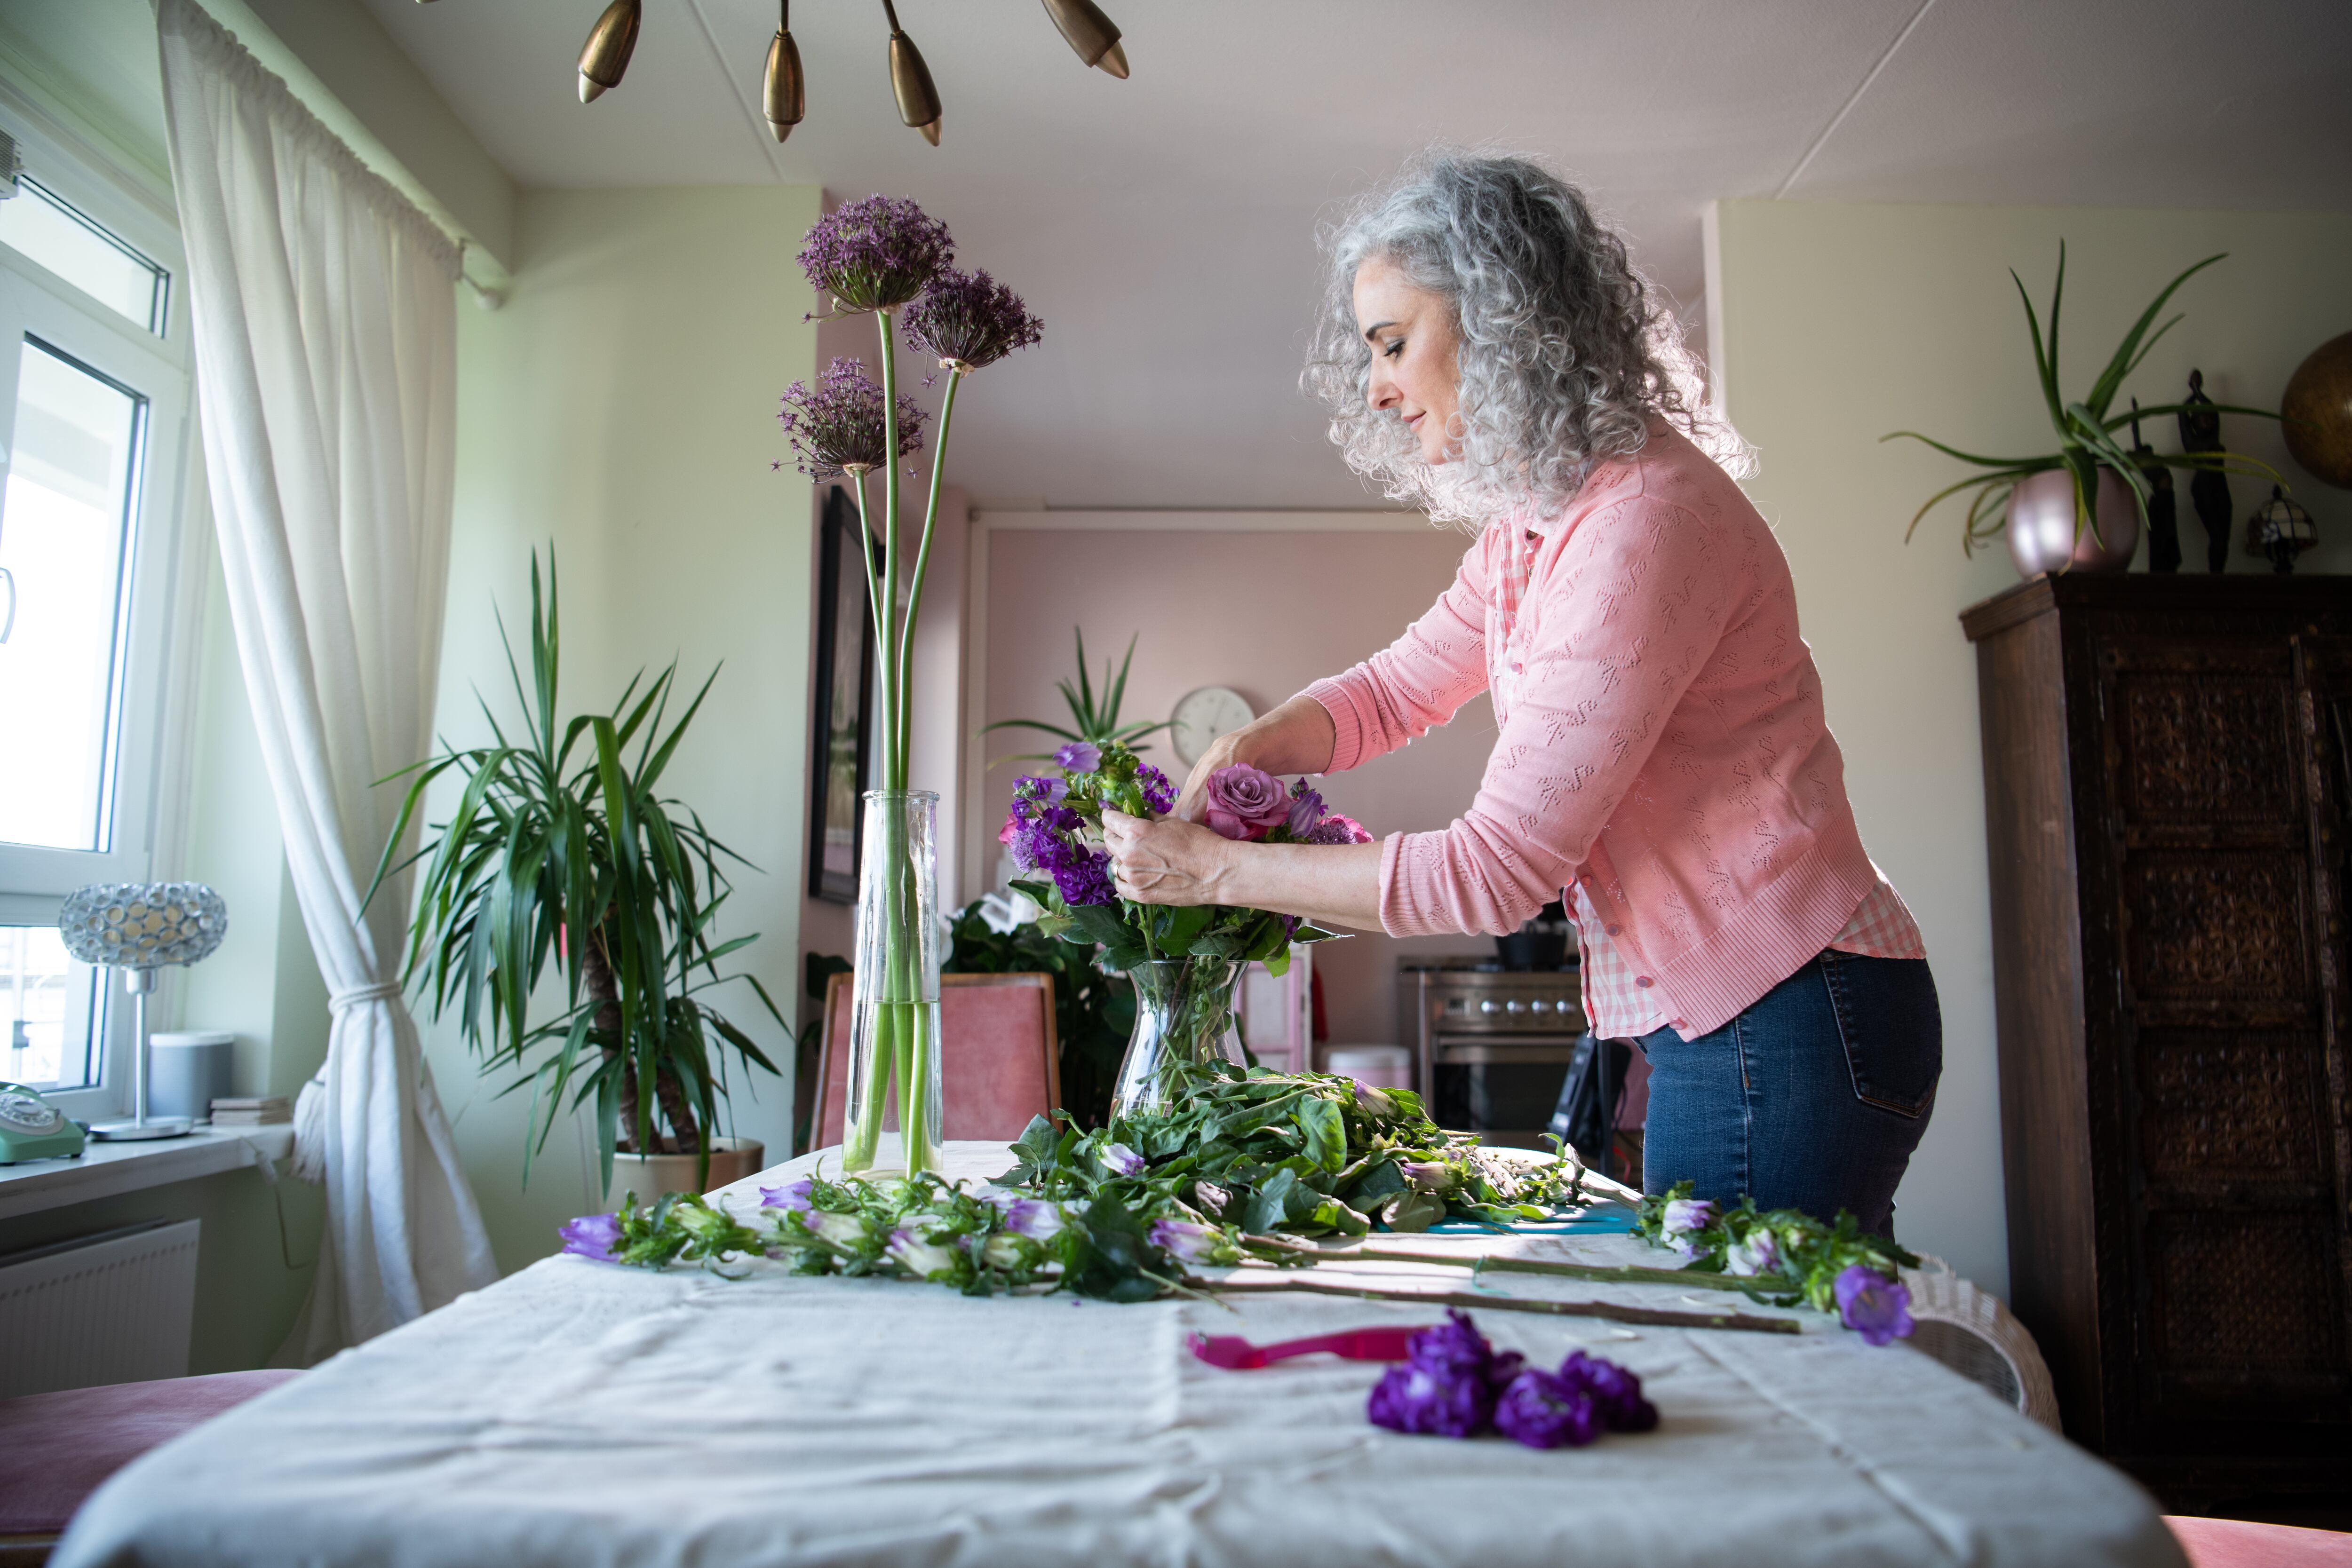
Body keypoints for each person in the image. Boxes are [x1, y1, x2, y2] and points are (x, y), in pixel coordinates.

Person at [1100, 151, 1940, 1236]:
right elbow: (1396, 688)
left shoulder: (1642, 522)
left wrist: (1216, 870)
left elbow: (1494, 875)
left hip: (1787, 1013)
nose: (1376, 385)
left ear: (1503, 323)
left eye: (1394, 343)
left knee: (1752, 1367)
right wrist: (1260, 743)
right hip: (1757, 1016)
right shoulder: (1538, 527)